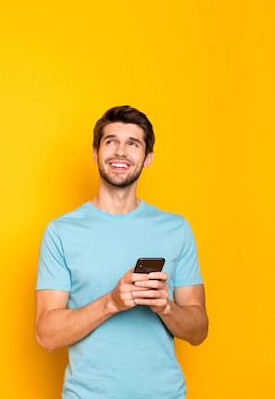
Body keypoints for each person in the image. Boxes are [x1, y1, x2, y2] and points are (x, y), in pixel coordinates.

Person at [35, 106, 208, 398]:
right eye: (111, 141)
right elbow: (46, 336)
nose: (120, 152)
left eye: (133, 143)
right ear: (95, 152)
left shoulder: (176, 229)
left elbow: (199, 331)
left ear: (147, 158)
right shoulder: (61, 232)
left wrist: (165, 307)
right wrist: (112, 302)